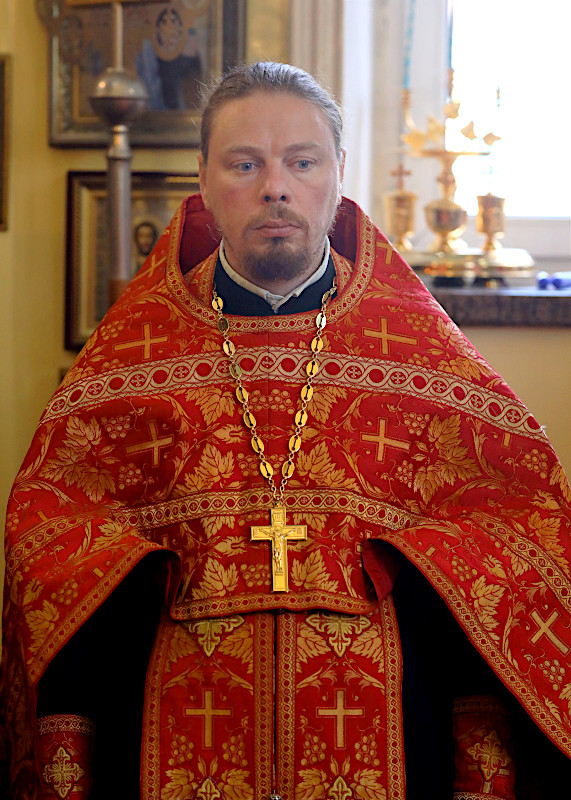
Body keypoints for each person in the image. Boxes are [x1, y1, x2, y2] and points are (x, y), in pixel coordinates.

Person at [2, 62, 571, 800]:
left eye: (301, 162)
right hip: (175, 725)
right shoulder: (133, 357)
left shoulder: (420, 357)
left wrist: (415, 560)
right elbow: (50, 534)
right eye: (245, 164)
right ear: (203, 180)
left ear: (338, 174)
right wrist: (141, 568)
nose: (276, 187)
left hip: (391, 734)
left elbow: (517, 524)